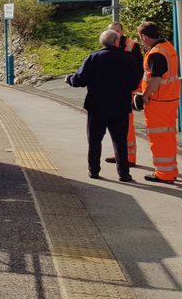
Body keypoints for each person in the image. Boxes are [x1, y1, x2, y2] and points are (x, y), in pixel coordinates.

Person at [65, 29, 141, 181]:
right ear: (116, 42)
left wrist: (69, 79)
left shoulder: (94, 58)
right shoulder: (127, 59)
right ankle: (124, 173)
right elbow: (135, 81)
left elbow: (80, 80)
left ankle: (94, 171)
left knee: (94, 140)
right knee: (120, 142)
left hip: (97, 106)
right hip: (120, 106)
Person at [135, 21, 180, 183]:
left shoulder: (156, 54)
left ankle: (164, 173)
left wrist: (144, 96)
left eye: (140, 37)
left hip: (159, 102)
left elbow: (155, 80)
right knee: (167, 136)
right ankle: (170, 171)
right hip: (169, 99)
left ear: (144, 37)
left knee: (159, 137)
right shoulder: (168, 47)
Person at [105, 21, 144, 166]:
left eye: (117, 31)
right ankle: (120, 154)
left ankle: (129, 158)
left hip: (127, 91)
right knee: (116, 125)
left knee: (126, 125)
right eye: (111, 31)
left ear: (122, 31)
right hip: (115, 91)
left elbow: (138, 71)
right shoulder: (109, 45)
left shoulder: (131, 46)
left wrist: (133, 90)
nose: (115, 34)